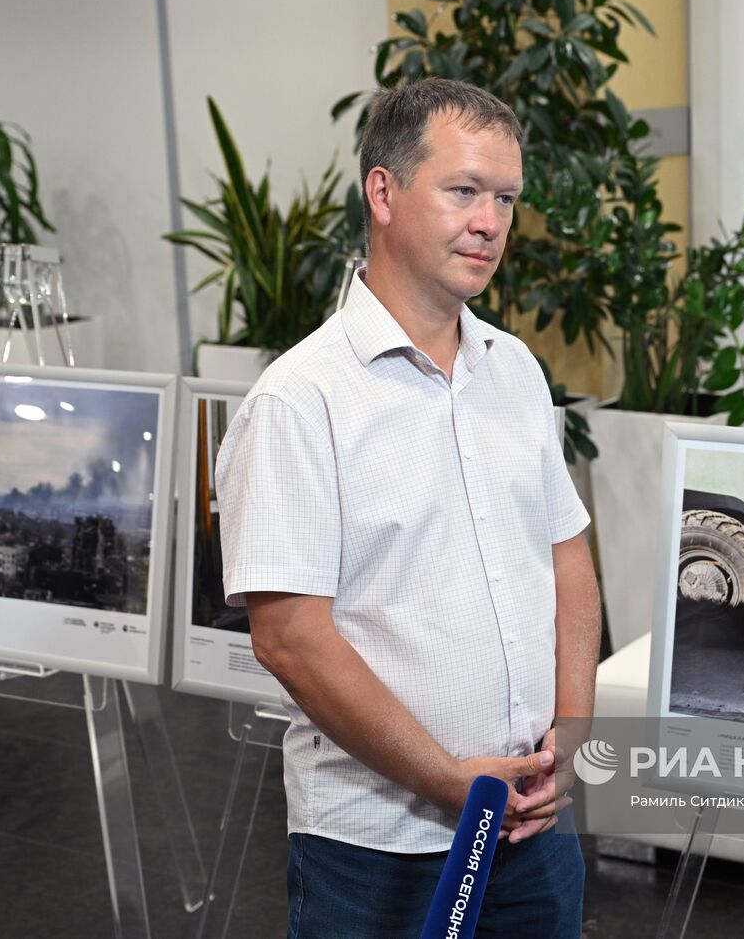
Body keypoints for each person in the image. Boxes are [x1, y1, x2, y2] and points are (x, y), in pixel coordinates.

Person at [215, 78, 600, 938]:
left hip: (532, 832)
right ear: (383, 192)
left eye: (505, 198)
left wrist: (570, 738)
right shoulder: (301, 399)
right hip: (375, 848)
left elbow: (567, 559)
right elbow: (290, 638)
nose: (491, 222)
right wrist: (450, 784)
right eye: (464, 190)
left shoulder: (515, 371)